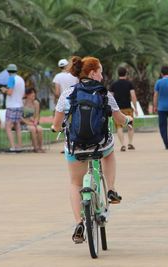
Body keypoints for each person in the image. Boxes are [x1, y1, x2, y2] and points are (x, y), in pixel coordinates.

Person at [52, 56, 132, 244]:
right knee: (110, 152)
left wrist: (55, 129)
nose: (102, 75)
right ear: (93, 73)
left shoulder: (68, 94)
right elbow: (119, 119)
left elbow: (56, 124)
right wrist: (128, 121)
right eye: (101, 71)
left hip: (75, 146)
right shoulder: (105, 94)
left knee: (75, 183)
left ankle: (79, 222)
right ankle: (111, 189)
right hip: (100, 144)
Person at [109, 67, 138, 151]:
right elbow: (133, 96)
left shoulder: (114, 84)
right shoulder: (129, 84)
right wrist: (135, 108)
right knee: (130, 126)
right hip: (128, 108)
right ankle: (130, 143)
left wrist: (111, 108)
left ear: (118, 74)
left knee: (119, 127)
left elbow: (110, 97)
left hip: (118, 109)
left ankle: (123, 145)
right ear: (126, 73)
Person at [0, 64, 25, 152]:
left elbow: (10, 92)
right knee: (17, 125)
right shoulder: (21, 79)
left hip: (12, 106)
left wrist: (4, 90)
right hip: (19, 104)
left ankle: (12, 147)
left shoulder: (11, 78)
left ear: (8, 71)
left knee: (8, 126)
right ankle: (19, 146)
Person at [21, 88, 45, 153]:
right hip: (23, 123)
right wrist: (28, 122)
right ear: (27, 95)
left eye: (34, 94)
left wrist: (35, 122)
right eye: (32, 94)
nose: (33, 95)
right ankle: (35, 148)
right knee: (33, 129)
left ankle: (40, 147)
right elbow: (20, 117)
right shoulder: (22, 103)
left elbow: (37, 115)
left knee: (39, 129)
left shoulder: (36, 103)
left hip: (33, 122)